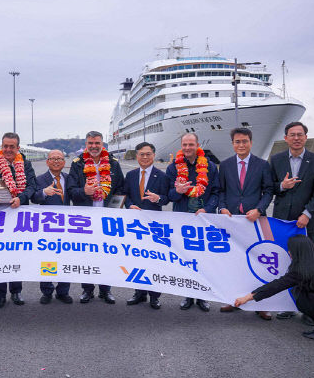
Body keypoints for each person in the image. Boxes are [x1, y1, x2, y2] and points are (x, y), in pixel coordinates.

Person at [234, 235, 314, 341]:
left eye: (290, 249)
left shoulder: (300, 271)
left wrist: (247, 297)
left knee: (300, 295)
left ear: (298, 251)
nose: (289, 252)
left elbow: (276, 286)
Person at [269, 121, 314, 321]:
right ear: (285, 138)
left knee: (308, 265)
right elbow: (269, 188)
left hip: (306, 223)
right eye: (292, 134)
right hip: (282, 223)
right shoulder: (275, 160)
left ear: (305, 137)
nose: (296, 138)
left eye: (300, 134)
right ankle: (288, 305)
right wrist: (282, 186)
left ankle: (309, 307)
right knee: (286, 264)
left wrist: (307, 214)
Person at [217, 127, 274, 320]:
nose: (241, 145)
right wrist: (222, 208)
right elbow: (221, 191)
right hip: (232, 220)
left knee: (258, 262)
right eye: (237, 142)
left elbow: (268, 191)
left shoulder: (263, 165)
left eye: (244, 141)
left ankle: (261, 303)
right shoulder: (224, 165)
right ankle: (232, 299)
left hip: (254, 220)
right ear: (232, 144)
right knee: (233, 261)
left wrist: (259, 209)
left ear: (251, 142)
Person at [67, 130, 125, 304]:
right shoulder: (77, 164)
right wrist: (83, 192)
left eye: (97, 143)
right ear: (86, 145)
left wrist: (116, 208)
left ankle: (105, 290)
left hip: (107, 218)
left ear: (102, 144)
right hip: (86, 219)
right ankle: (87, 290)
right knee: (87, 255)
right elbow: (71, 191)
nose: (94, 146)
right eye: (90, 143)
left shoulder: (113, 164)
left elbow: (120, 189)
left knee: (107, 255)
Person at [166, 133, 218, 312]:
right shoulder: (173, 168)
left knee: (204, 259)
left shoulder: (210, 167)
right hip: (182, 218)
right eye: (184, 145)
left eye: (191, 144)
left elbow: (216, 192)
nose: (187, 148)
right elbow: (169, 196)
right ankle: (188, 294)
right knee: (186, 259)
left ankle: (203, 296)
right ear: (181, 145)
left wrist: (207, 209)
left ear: (197, 145)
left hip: (203, 218)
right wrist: (178, 191)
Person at [0, 132, 37, 308]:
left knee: (17, 254)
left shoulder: (26, 165)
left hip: (20, 215)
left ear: (18, 148)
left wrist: (20, 199)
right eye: (5, 146)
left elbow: (32, 187)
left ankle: (16, 291)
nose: (7, 150)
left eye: (11, 147)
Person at [124, 141, 170, 310]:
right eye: (141, 154)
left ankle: (154, 296)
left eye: (148, 154)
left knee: (153, 260)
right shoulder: (131, 175)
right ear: (137, 156)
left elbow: (167, 198)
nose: (145, 157)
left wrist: (157, 198)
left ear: (153, 155)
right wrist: (130, 205)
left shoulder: (162, 176)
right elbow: (125, 195)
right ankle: (139, 293)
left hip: (153, 223)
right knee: (137, 259)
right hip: (135, 224)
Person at [31, 149, 73, 304]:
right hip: (46, 225)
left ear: (64, 162)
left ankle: (63, 291)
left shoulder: (69, 178)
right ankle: (47, 290)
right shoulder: (40, 179)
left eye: (60, 159)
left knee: (65, 257)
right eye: (53, 158)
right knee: (47, 258)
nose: (56, 161)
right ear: (47, 161)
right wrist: (43, 192)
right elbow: (34, 198)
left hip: (66, 224)